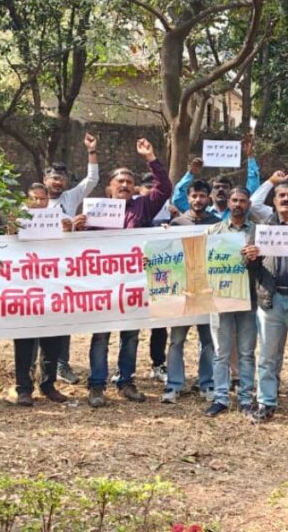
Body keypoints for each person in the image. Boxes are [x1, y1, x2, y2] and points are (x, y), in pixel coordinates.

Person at [85, 138, 172, 407]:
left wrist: (151, 158)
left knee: (131, 336)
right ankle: (97, 385)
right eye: (119, 182)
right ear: (109, 187)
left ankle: (126, 382)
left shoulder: (142, 206)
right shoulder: (96, 210)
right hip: (104, 285)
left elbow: (165, 188)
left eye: (128, 182)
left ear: (133, 187)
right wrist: (76, 227)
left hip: (133, 286)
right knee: (101, 336)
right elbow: (84, 248)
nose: (124, 185)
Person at [248, 180, 288, 424]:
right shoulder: (262, 227)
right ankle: (266, 402)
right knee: (267, 355)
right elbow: (250, 265)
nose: (286, 199)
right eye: (281, 196)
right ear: (273, 201)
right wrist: (251, 257)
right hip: (270, 300)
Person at [45, 132, 100, 385]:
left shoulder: (71, 198)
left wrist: (91, 151)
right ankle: (41, 367)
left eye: (62, 178)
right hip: (39, 269)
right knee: (40, 319)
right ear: (45, 179)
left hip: (66, 269)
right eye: (54, 178)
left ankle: (62, 365)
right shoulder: (34, 202)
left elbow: (92, 179)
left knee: (64, 317)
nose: (58, 182)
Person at [162, 179, 221, 403]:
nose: (198, 200)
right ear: (188, 198)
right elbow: (165, 255)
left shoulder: (217, 224)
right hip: (182, 291)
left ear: (209, 198)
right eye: (194, 196)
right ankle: (174, 385)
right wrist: (162, 236)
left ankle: (207, 384)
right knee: (176, 340)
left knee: (208, 341)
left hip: (207, 291)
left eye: (202, 196)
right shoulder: (176, 224)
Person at [13, 185, 71, 407]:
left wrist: (69, 229)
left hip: (53, 288)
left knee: (53, 340)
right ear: (26, 200)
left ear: (48, 199)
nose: (38, 203)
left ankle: (48, 385)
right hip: (25, 288)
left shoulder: (58, 217)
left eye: (42, 199)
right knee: (25, 341)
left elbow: (72, 241)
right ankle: (23, 388)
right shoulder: (17, 219)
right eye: (33, 199)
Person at [205, 188, 259, 417]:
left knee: (247, 352)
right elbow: (197, 259)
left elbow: (269, 264)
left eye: (243, 201)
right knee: (221, 352)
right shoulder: (213, 231)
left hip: (249, 299)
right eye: (234, 200)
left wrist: (258, 254)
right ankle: (221, 398)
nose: (238, 204)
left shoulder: (258, 232)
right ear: (228, 203)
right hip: (220, 300)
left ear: (248, 204)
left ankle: (246, 398)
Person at [171, 136, 261, 219]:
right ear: (209, 194)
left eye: (225, 187)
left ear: (231, 193)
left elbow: (252, 191)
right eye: (216, 187)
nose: (220, 189)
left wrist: (250, 157)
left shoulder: (239, 210)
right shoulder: (199, 210)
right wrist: (190, 172)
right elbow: (178, 199)